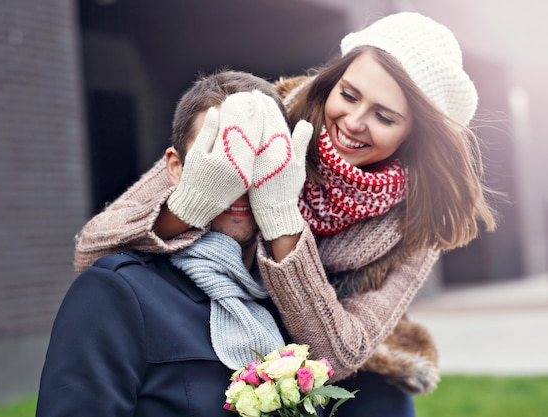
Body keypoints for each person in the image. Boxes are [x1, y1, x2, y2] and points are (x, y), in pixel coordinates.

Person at [72, 12, 497, 417]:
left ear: (415, 135)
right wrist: (191, 204)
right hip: (227, 331)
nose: (353, 121)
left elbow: (340, 353)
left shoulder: (421, 216)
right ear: (334, 81)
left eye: (384, 117)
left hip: (347, 367)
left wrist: (280, 221)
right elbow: (94, 247)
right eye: (348, 95)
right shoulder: (261, 116)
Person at [36, 76, 315, 416]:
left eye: (258, 158)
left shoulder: (292, 308)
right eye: (219, 158)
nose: (239, 180)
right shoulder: (116, 293)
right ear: (175, 168)